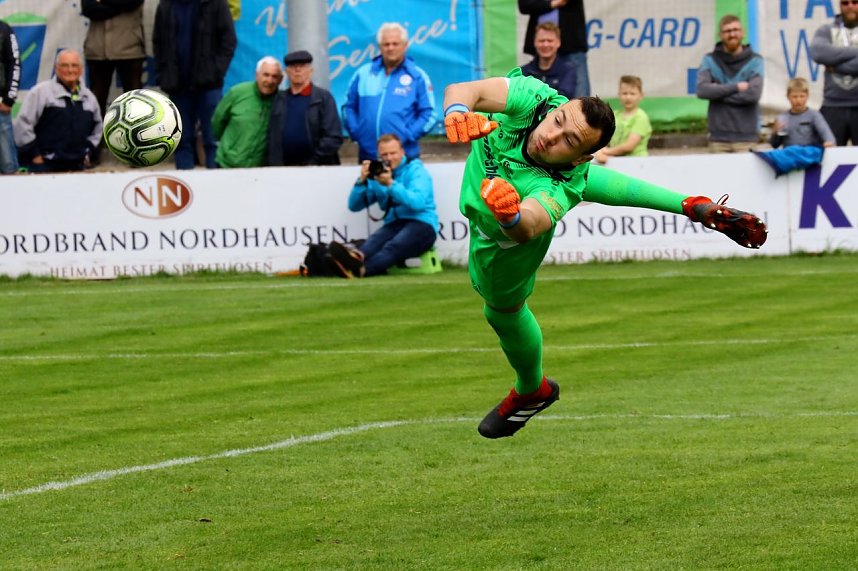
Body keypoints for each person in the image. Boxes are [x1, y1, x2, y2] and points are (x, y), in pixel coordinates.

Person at [441, 70, 767, 439]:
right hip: (498, 208)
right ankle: (692, 204)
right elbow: (464, 89)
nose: (551, 136)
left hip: (505, 246)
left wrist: (510, 215)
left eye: (569, 141)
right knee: (582, 179)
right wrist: (457, 112)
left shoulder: (558, 186)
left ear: (582, 158)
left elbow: (528, 225)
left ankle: (532, 388)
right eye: (559, 121)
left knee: (502, 311)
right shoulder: (534, 98)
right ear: (558, 107)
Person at [328, 133, 438, 278]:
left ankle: (361, 270)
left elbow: (417, 203)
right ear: (379, 156)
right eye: (384, 155)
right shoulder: (378, 174)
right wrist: (361, 181)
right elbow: (354, 206)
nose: (389, 158)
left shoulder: (416, 171)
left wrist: (391, 185)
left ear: (402, 152)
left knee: (393, 246)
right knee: (369, 247)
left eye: (393, 153)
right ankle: (353, 261)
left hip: (422, 224)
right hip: (394, 224)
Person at [152, 0, 236, 170]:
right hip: (178, 85)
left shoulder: (216, 4)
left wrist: (216, 71)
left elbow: (228, 40)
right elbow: (158, 41)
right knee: (182, 140)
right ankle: (185, 182)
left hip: (209, 85)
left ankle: (216, 181)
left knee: (213, 139)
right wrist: (164, 73)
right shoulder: (166, 5)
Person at [343, 22, 437, 162]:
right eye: (386, 44)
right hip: (368, 157)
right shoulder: (363, 74)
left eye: (395, 44)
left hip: (405, 157)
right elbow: (348, 107)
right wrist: (357, 132)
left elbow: (429, 114)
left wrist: (407, 135)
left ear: (405, 45)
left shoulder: (417, 76)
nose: (390, 48)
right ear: (379, 47)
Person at [13, 49, 102, 173]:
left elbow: (98, 128)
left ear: (81, 70)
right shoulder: (40, 92)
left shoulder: (89, 97)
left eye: (74, 65)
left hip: (78, 167)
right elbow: (23, 125)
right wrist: (35, 155)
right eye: (65, 65)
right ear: (56, 68)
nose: (70, 70)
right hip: (44, 166)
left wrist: (88, 151)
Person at [696, 15, 764, 153]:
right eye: (727, 31)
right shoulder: (709, 60)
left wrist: (717, 92)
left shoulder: (756, 61)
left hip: (746, 138)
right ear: (720, 35)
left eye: (735, 30)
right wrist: (736, 87)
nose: (732, 34)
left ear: (743, 32)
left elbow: (753, 95)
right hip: (718, 139)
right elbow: (702, 90)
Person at [267, 50, 343, 166]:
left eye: (302, 66)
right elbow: (272, 137)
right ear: (286, 72)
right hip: (283, 169)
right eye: (293, 66)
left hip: (319, 168)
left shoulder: (323, 98)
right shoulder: (279, 99)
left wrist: (314, 162)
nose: (297, 70)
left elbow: (333, 136)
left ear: (310, 71)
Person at [753, 77, 836, 177]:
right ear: (788, 97)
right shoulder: (783, 117)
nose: (798, 100)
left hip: (809, 160)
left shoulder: (814, 115)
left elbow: (828, 136)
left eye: (802, 96)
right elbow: (774, 145)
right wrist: (775, 132)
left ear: (807, 96)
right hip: (790, 161)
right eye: (795, 97)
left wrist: (828, 142)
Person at [211, 56, 282, 168]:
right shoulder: (237, 92)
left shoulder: (281, 101)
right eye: (266, 75)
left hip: (258, 169)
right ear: (256, 75)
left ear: (280, 80)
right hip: (226, 165)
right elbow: (217, 122)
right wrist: (229, 147)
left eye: (274, 76)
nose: (270, 81)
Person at [81, 0, 145, 119]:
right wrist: (119, 7)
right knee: (96, 102)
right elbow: (88, 8)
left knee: (134, 103)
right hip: (97, 50)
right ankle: (99, 131)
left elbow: (132, 3)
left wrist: (102, 2)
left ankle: (133, 131)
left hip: (130, 50)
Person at [810, 0, 858, 146]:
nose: (850, 6)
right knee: (830, 155)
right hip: (833, 105)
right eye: (845, 3)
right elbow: (818, 53)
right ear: (839, 5)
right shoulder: (826, 30)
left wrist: (835, 65)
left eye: (855, 2)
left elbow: (826, 56)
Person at [519, 0, 590, 97]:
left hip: (572, 42)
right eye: (543, 41)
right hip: (541, 46)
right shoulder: (525, 70)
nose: (546, 44)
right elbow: (524, 5)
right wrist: (551, 4)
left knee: (581, 98)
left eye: (549, 41)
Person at [594, 75, 651, 163]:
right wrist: (600, 151)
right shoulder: (614, 115)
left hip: (637, 162)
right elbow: (602, 136)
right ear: (619, 95)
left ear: (641, 95)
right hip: (615, 160)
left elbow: (629, 146)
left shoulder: (641, 117)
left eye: (632, 93)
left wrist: (606, 151)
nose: (628, 97)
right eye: (624, 93)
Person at [520, 22, 577, 99]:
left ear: (558, 43)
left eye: (550, 41)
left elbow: (563, 97)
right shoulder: (524, 72)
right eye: (541, 41)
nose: (545, 44)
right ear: (535, 42)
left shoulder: (568, 70)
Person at [0, 19, 20, 175]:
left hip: (0, 106)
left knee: (8, 164)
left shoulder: (3, 29)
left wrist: (9, 99)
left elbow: (14, 63)